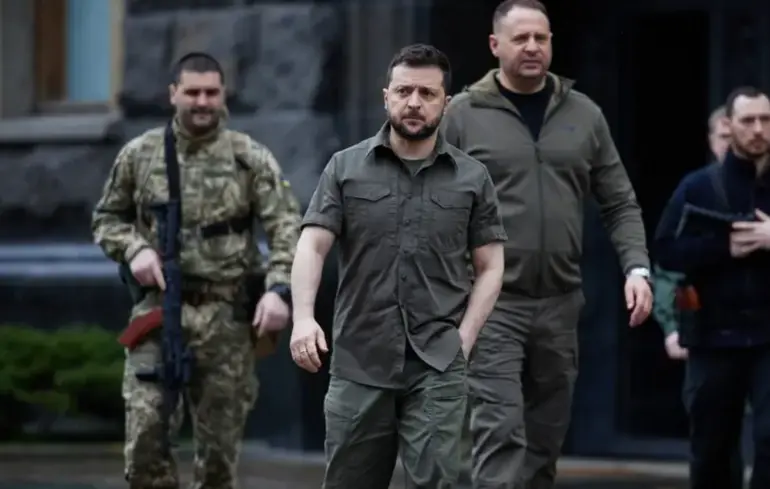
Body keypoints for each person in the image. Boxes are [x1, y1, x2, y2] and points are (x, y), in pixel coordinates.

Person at [441, 1, 653, 487]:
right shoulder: (462, 116)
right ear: (495, 45)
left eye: (541, 37)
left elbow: (619, 202)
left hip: (560, 302)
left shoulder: (584, 114)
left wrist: (637, 268)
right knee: (499, 429)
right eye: (521, 38)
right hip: (491, 302)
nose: (533, 47)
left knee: (546, 437)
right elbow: (430, 203)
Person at [289, 43, 507, 489]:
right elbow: (312, 245)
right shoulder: (345, 168)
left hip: (437, 363)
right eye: (404, 91)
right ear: (386, 96)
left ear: (446, 103)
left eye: (427, 93)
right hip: (359, 360)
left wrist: (464, 339)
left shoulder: (472, 178)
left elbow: (490, 266)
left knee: (436, 482)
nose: (414, 103)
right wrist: (303, 318)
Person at [91, 52, 301, 489]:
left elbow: (288, 226)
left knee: (219, 454)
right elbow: (107, 218)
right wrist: (134, 250)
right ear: (174, 94)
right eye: (192, 92)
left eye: (211, 92)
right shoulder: (140, 155)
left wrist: (279, 289)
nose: (202, 102)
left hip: (226, 317)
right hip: (157, 312)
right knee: (146, 437)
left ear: (223, 95)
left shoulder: (249, 157)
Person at [654, 86, 770, 489]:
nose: (758, 129)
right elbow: (666, 250)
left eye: (766, 120)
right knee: (712, 448)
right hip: (713, 336)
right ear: (728, 125)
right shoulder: (699, 186)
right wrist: (723, 248)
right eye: (748, 121)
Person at [653, 106, 731, 360]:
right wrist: (671, 327)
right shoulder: (696, 189)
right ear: (711, 140)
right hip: (708, 328)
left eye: (735, 137)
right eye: (724, 137)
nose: (730, 145)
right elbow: (669, 261)